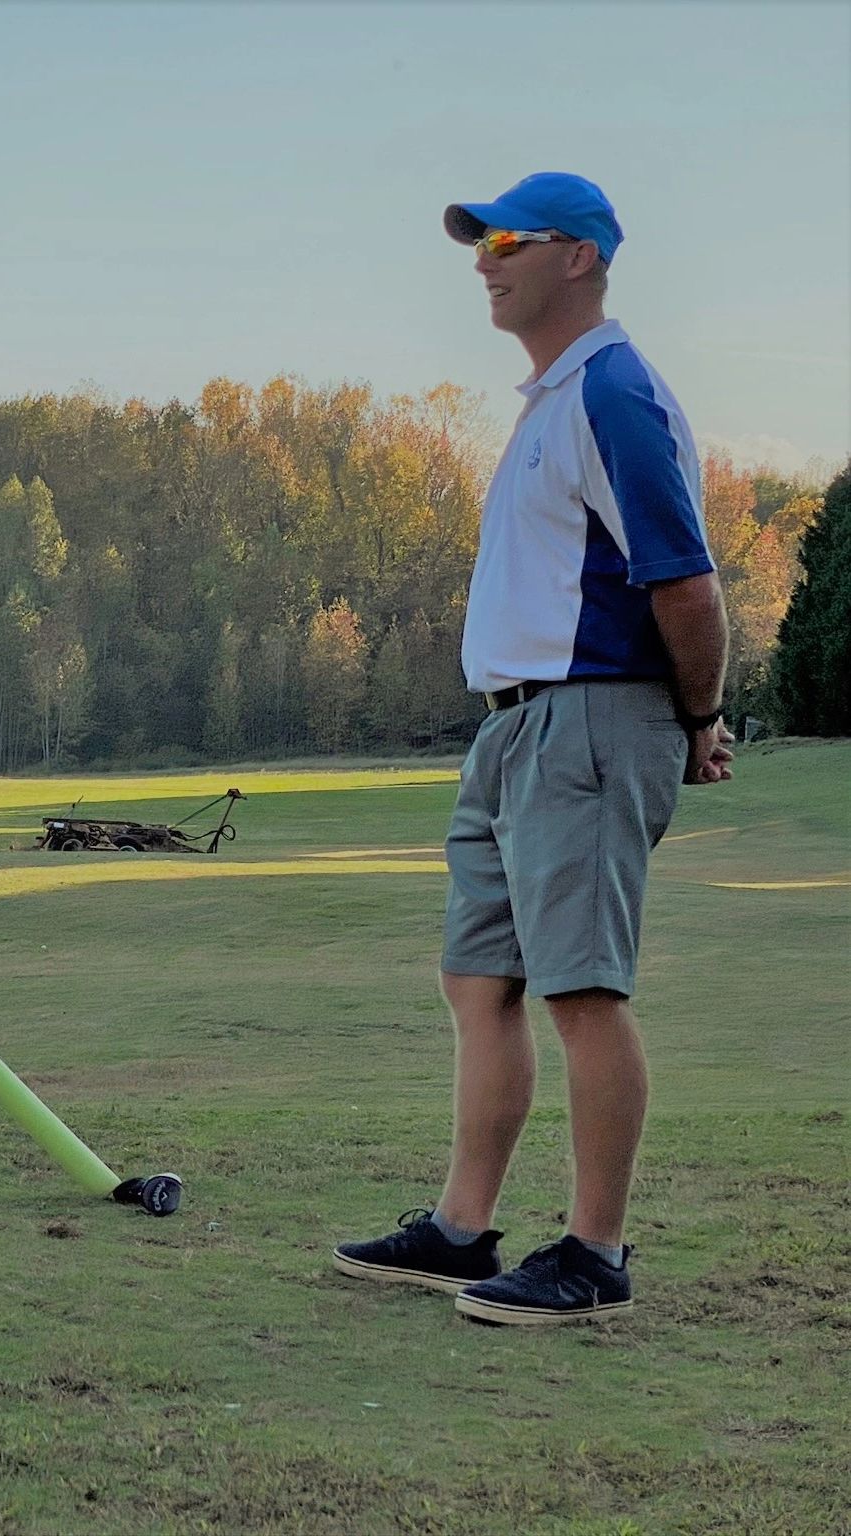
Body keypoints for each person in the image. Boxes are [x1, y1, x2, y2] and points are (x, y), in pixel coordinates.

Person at [333, 174, 735, 1324]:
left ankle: (594, 1255)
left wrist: (697, 719)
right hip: (513, 727)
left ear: (581, 258)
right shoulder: (549, 399)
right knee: (478, 982)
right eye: (476, 242)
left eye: (507, 240)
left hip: (590, 715)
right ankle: (461, 1232)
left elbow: (685, 581)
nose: (482, 260)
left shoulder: (611, 388)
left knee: (581, 991)